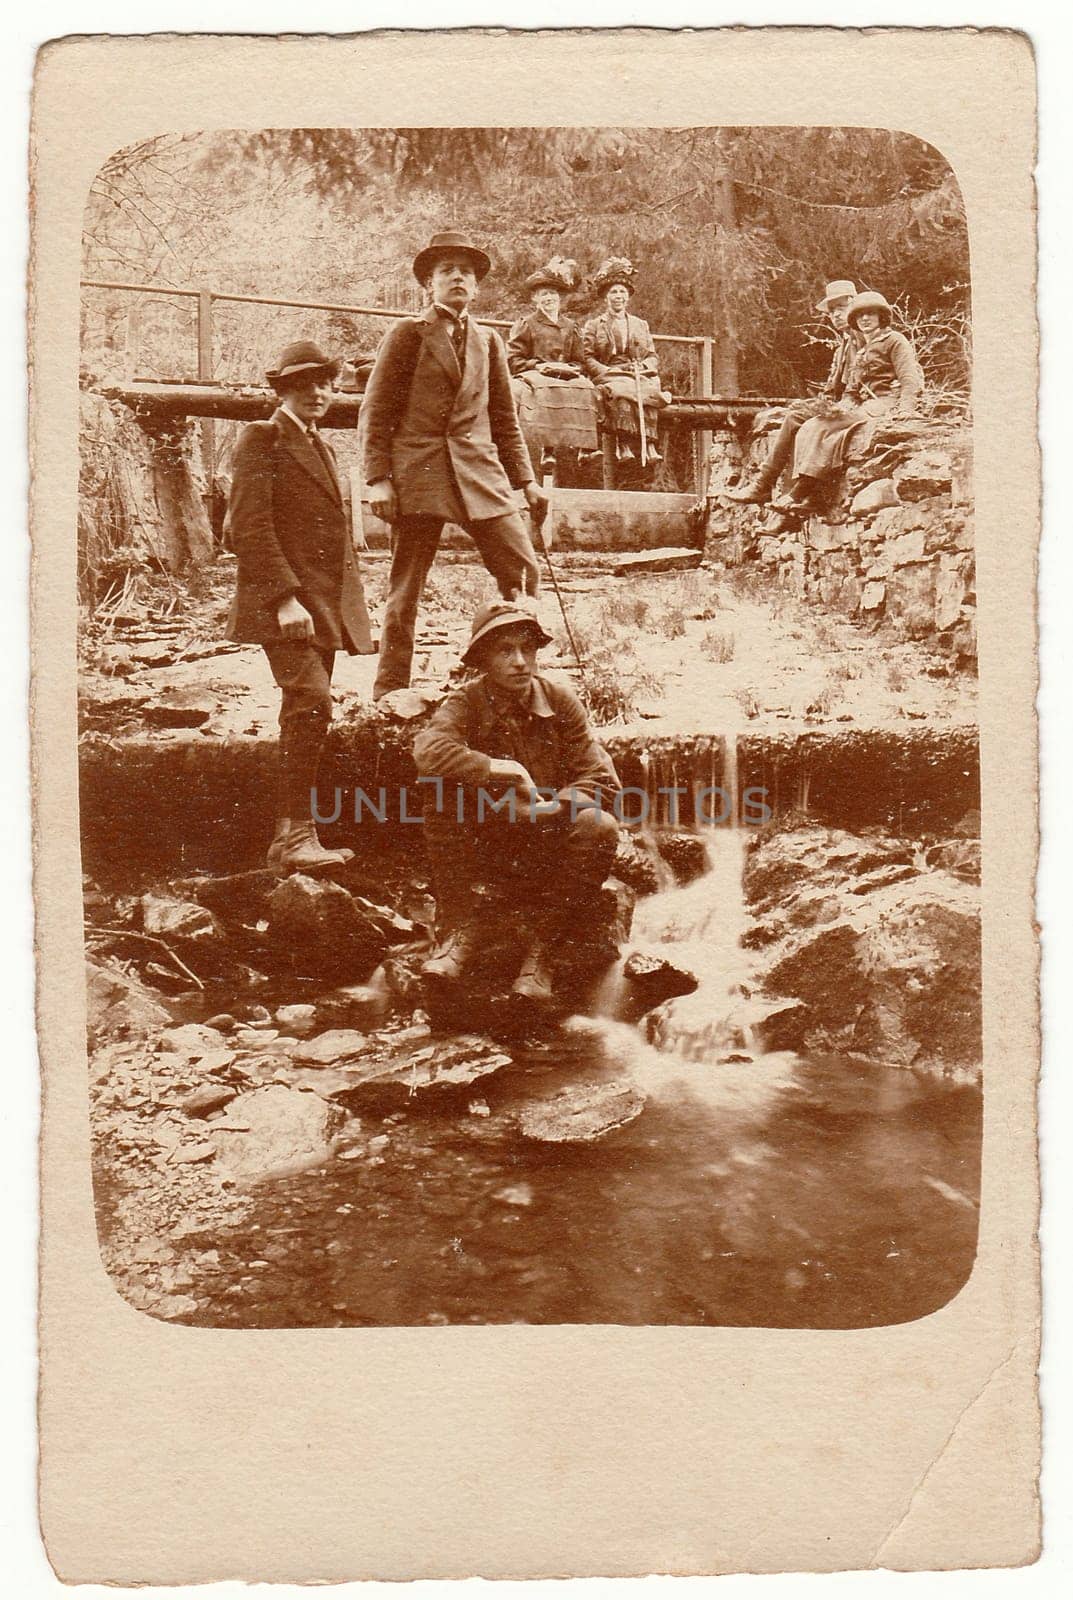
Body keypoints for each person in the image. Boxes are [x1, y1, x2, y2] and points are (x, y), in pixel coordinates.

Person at [361, 229, 548, 700]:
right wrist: (378, 479)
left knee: (522, 571)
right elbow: (376, 410)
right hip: (419, 472)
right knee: (405, 588)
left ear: (477, 285)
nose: (458, 279)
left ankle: (515, 677)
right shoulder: (407, 334)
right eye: (447, 271)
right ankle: (390, 689)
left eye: (466, 272)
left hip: (480, 472)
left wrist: (526, 481)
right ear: (430, 283)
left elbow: (504, 419)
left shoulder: (489, 342)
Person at [412, 600, 622, 1004]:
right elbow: (428, 750)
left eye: (528, 649)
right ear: (483, 659)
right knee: (439, 791)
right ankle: (457, 932)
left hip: (547, 838)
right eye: (505, 650)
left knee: (599, 826)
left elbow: (601, 776)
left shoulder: (559, 700)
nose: (520, 662)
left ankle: (543, 952)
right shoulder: (466, 702)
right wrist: (498, 768)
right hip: (486, 839)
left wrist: (552, 807)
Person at [225, 339, 375, 872]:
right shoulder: (262, 437)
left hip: (321, 605)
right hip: (283, 603)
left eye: (327, 383)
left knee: (307, 709)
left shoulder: (323, 446)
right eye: (307, 383)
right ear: (284, 388)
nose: (320, 392)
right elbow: (249, 525)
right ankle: (294, 837)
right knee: (311, 699)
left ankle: (291, 838)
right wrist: (285, 598)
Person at [727, 278, 859, 505]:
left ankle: (779, 489)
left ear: (855, 306)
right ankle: (769, 488)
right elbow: (833, 388)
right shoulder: (844, 345)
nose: (836, 315)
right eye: (831, 311)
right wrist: (818, 403)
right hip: (840, 404)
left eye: (841, 308)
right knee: (794, 417)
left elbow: (861, 385)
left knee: (804, 424)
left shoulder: (865, 339)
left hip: (858, 407)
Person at [786, 290, 925, 502]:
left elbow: (910, 380)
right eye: (860, 315)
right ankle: (806, 490)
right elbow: (851, 390)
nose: (865, 319)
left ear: (882, 316)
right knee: (812, 425)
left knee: (825, 426)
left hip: (885, 402)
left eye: (871, 314)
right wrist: (842, 405)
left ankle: (801, 491)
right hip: (865, 405)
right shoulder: (860, 350)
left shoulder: (895, 340)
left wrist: (906, 410)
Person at [507, 261, 601, 471]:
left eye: (552, 294)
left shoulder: (570, 326)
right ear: (535, 299)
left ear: (559, 298)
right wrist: (537, 365)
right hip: (536, 372)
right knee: (545, 389)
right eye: (543, 295)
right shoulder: (527, 323)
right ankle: (547, 450)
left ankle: (585, 447)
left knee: (585, 387)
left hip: (565, 372)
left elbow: (580, 359)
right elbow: (514, 358)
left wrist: (573, 368)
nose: (548, 298)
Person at [581, 257, 668, 465]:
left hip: (637, 372)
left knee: (649, 391)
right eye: (613, 292)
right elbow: (587, 356)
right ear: (605, 297)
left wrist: (645, 366)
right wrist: (605, 371)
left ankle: (649, 444)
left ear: (628, 296)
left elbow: (652, 356)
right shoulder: (594, 325)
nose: (618, 296)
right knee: (621, 393)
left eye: (622, 292)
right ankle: (624, 443)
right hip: (609, 373)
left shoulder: (640, 325)